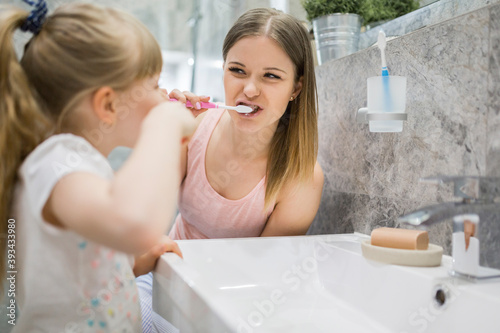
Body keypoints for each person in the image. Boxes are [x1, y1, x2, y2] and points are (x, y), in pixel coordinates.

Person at [0, 1, 199, 331]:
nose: (164, 94)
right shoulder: (56, 163)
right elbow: (133, 222)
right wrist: (163, 125)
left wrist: (129, 264)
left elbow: (78, 259)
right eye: (154, 85)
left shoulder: (77, 163)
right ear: (107, 104)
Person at [137, 7, 324, 331]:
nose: (250, 89)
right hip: (163, 280)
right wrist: (166, 129)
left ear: (296, 87)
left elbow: (261, 277)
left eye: (271, 76)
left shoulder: (301, 179)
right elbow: (140, 227)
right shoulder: (192, 129)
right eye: (238, 70)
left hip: (233, 301)